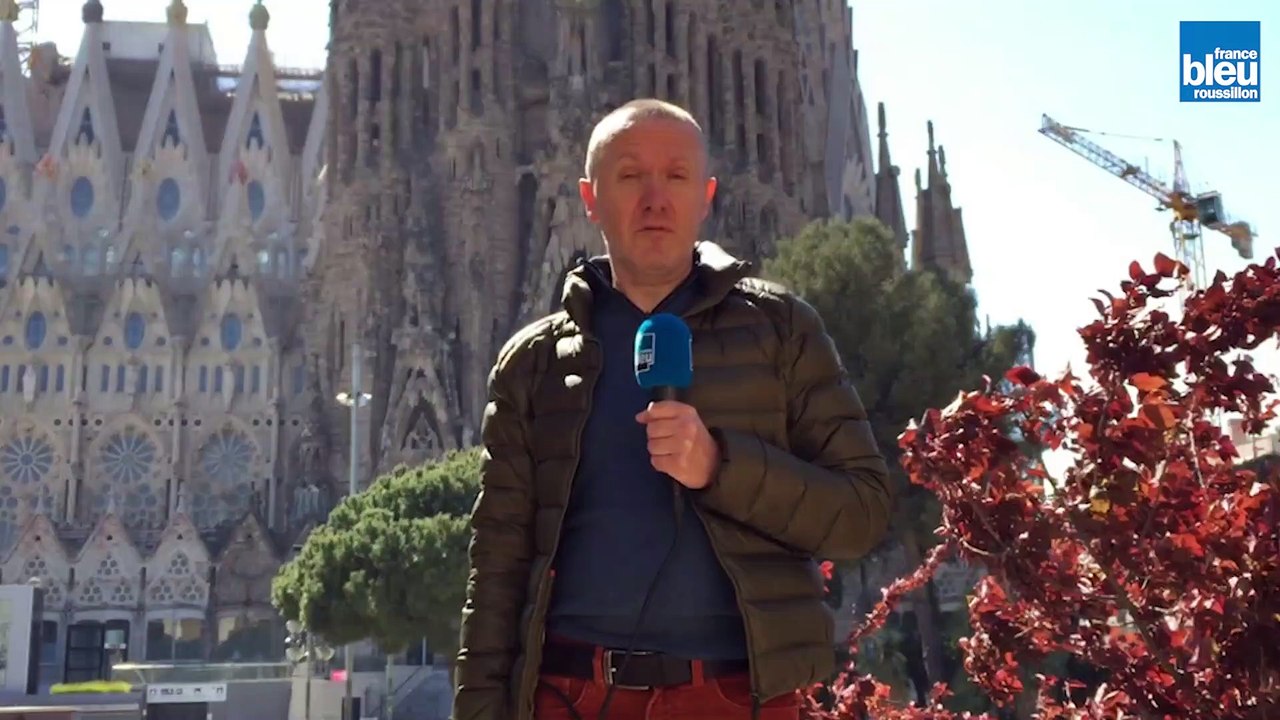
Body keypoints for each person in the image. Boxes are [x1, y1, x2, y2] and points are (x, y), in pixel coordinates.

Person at [452, 98, 893, 720]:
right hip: (574, 696)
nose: (655, 199)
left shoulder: (782, 331)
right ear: (590, 198)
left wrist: (720, 467)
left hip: (735, 696)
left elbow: (862, 514)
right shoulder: (535, 363)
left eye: (677, 176)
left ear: (706, 195)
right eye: (630, 175)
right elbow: (497, 567)